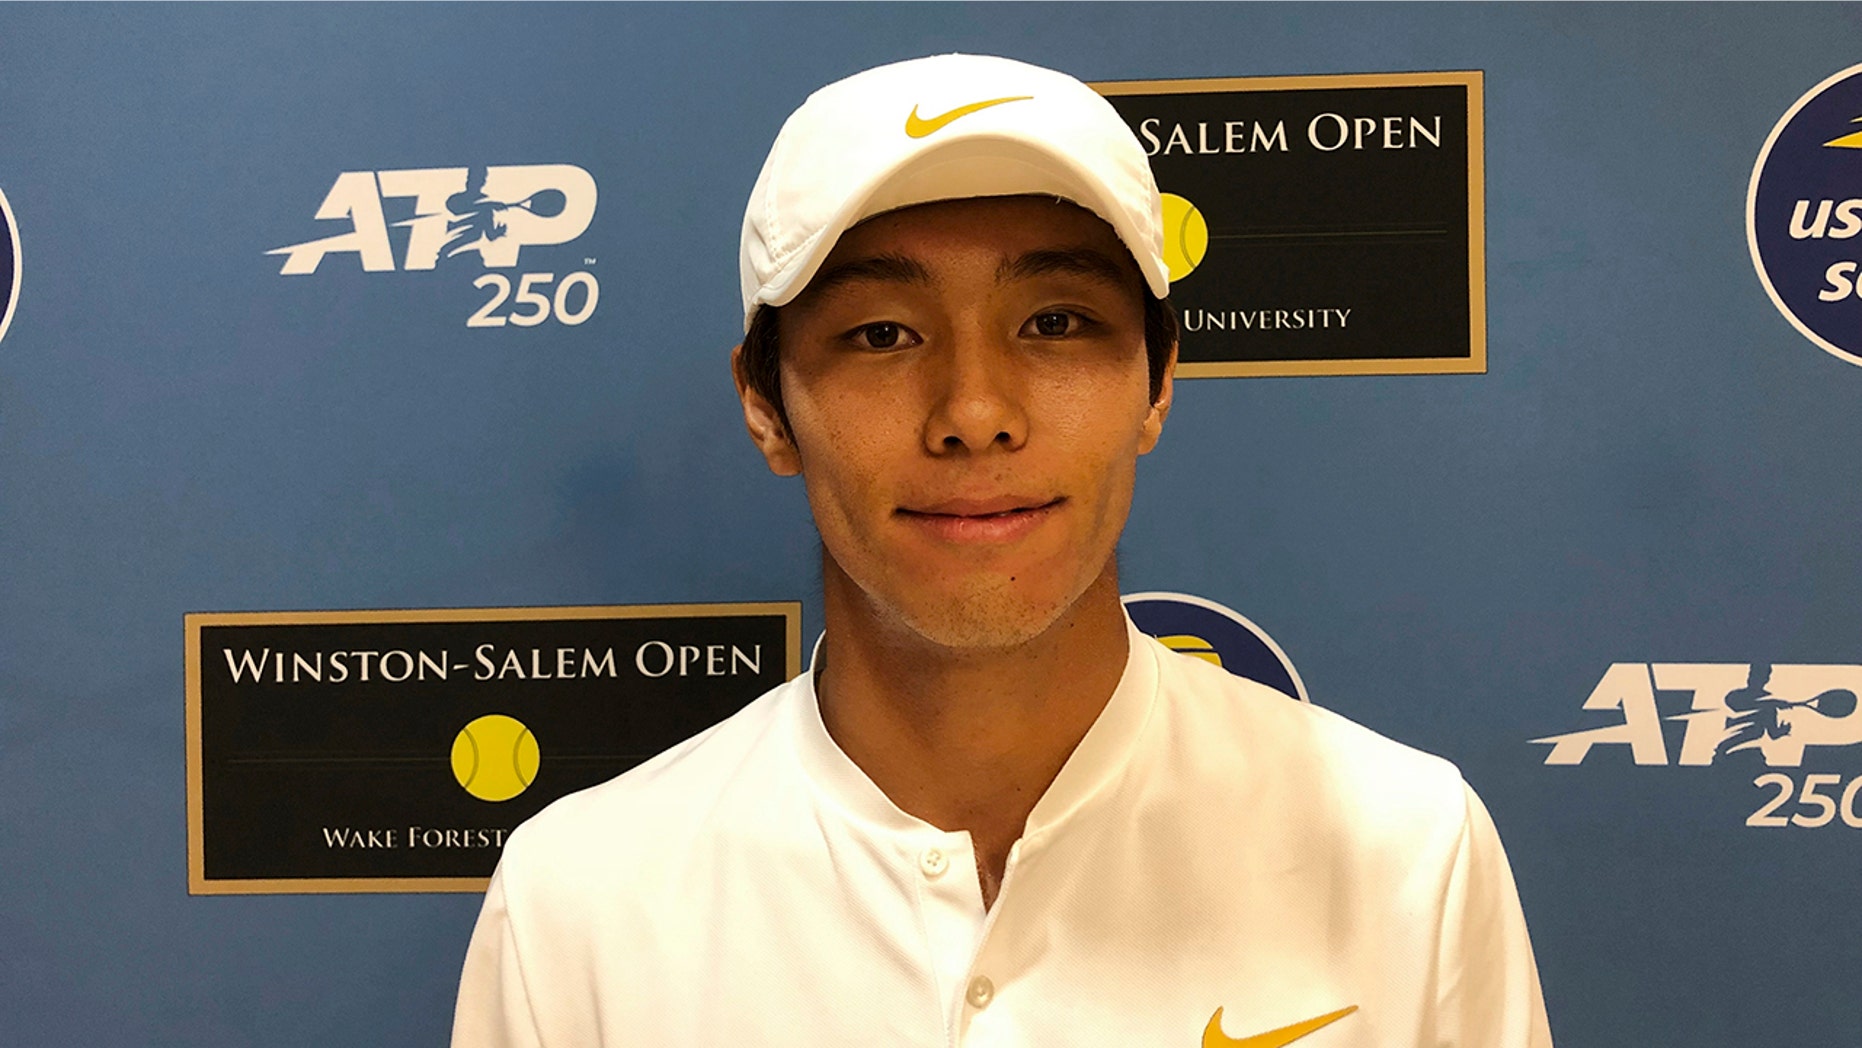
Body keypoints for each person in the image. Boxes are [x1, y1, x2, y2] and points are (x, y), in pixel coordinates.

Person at [451, 53, 1553, 1048]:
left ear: (1158, 382)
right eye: (881, 333)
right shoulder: (581, 904)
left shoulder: (1403, 851)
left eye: (1055, 323)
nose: (974, 411)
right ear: (764, 402)